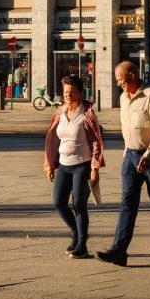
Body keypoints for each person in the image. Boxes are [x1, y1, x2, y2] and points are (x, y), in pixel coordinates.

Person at [96, 62, 150, 266]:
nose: (118, 84)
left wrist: (149, 154)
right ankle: (119, 251)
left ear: (132, 75)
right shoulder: (124, 98)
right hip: (131, 156)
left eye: (120, 79)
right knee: (127, 203)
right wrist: (128, 153)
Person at [44, 74, 104, 258]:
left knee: (79, 204)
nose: (68, 95)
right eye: (66, 92)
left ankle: (82, 244)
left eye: (72, 92)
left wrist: (95, 168)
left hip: (82, 165)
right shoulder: (60, 112)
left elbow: (96, 142)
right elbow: (52, 139)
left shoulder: (87, 114)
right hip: (63, 165)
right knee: (59, 203)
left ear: (80, 93)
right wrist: (49, 164)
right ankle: (75, 232)